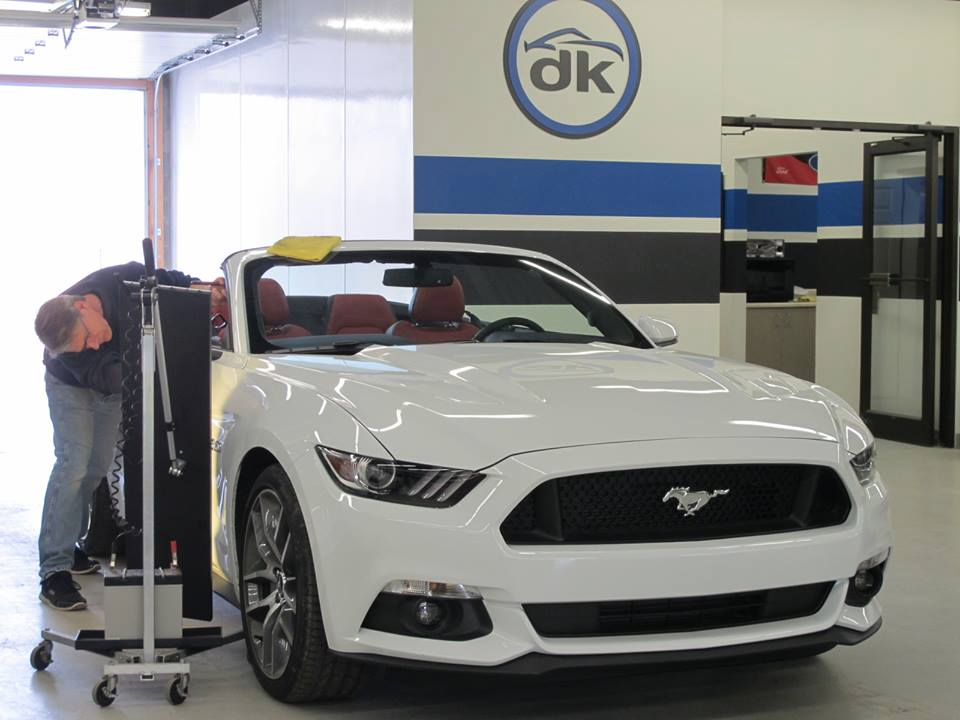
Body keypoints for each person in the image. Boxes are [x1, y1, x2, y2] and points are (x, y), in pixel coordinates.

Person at [33, 261, 224, 611]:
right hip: (72, 387)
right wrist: (148, 364)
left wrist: (199, 288)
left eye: (88, 336)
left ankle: (70, 544)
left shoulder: (117, 280)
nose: (92, 345)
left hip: (115, 381)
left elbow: (164, 280)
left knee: (96, 467)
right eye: (85, 345)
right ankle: (54, 571)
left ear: (84, 306)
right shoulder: (75, 357)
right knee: (74, 462)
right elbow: (105, 375)